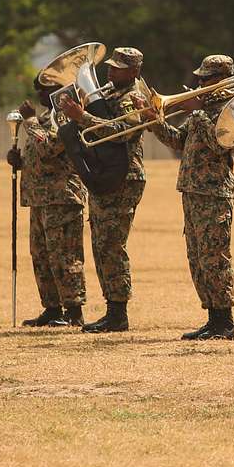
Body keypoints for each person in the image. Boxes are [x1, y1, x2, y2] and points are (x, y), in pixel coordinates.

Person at [149, 54, 234, 341]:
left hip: (214, 192)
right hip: (192, 190)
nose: (199, 83)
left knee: (215, 257)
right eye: (199, 78)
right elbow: (179, 141)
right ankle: (212, 317)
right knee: (198, 257)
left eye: (206, 79)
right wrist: (154, 122)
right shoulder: (204, 109)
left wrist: (198, 112)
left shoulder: (232, 108)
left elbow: (219, 146)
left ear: (221, 79)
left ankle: (225, 322)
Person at [62, 46, 146, 334]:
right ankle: (112, 307)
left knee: (112, 244)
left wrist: (82, 117)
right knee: (101, 244)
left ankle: (118, 313)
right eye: (110, 66)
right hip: (107, 173)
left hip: (125, 176)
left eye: (118, 68)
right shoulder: (110, 92)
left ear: (134, 72)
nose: (110, 71)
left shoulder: (134, 98)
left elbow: (123, 130)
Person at [12, 80, 88, 328]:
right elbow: (39, 157)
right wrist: (20, 161)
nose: (39, 94)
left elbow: (51, 148)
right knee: (41, 255)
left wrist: (30, 121)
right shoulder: (47, 117)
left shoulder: (67, 118)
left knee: (64, 255)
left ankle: (74, 311)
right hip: (40, 197)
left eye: (45, 89)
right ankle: (52, 308)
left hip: (62, 197)